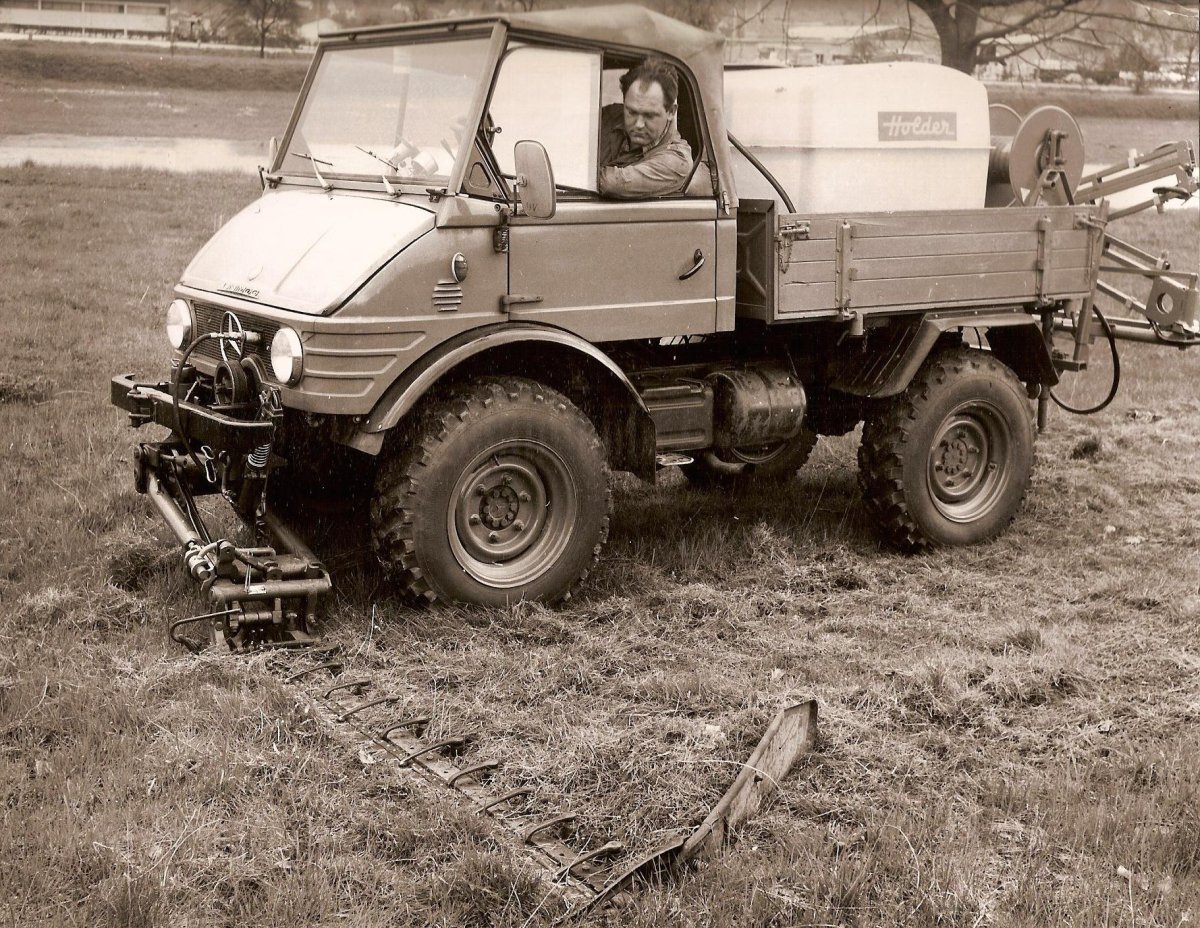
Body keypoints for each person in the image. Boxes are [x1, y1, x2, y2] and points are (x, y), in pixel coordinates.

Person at [598, 57, 693, 199]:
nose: (638, 124)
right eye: (631, 112)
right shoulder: (610, 116)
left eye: (649, 115)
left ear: (671, 112)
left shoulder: (677, 161)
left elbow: (611, 184)